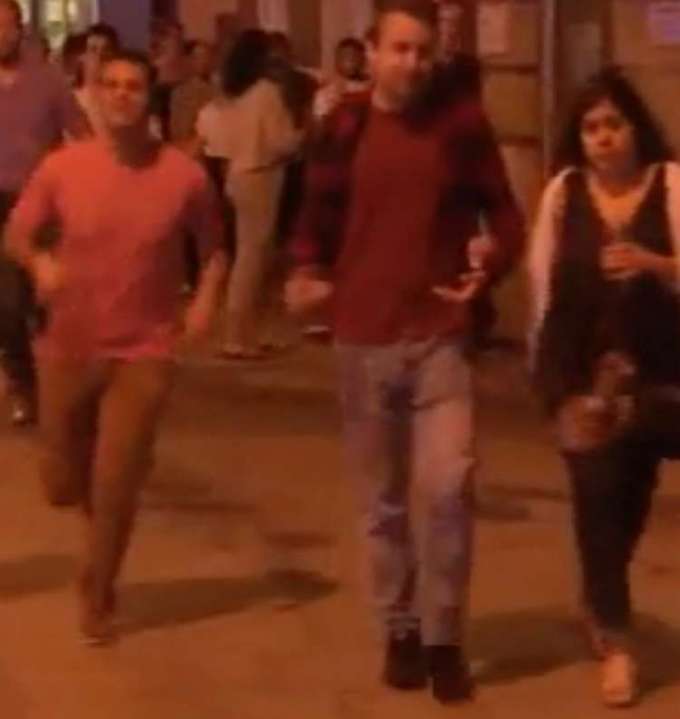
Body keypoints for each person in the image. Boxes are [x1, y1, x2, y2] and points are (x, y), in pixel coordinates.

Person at [286, 0, 523, 704]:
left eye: (423, 52)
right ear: (372, 50)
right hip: (362, 340)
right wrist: (306, 274)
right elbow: (312, 222)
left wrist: (491, 258)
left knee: (449, 487)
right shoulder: (344, 126)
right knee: (383, 503)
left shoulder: (460, 126)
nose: (413, 63)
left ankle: (444, 637)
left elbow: (505, 215)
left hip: (439, 337)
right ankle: (400, 628)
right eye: (400, 49)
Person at [5, 50, 227, 644]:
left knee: (116, 480)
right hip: (68, 346)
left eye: (135, 85)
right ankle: (97, 499)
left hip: (145, 349)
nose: (123, 94)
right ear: (96, 94)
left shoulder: (184, 176)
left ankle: (98, 591)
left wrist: (205, 302)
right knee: (61, 483)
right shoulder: (62, 168)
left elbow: (213, 250)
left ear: (151, 97)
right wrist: (40, 262)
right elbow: (17, 235)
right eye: (112, 85)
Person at [529, 69, 680, 708]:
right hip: (583, 379)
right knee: (596, 499)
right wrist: (547, 376)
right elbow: (543, 285)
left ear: (635, 128)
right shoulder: (564, 194)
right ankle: (617, 644)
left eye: (614, 124)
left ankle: (600, 594)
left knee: (629, 501)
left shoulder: (670, 186)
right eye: (591, 127)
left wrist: (654, 264)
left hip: (660, 379)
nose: (603, 138)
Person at [0, 0, 89, 426]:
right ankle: (24, 383)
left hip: (38, 202)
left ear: (20, 30)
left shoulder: (47, 81)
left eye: (6, 26)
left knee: (43, 299)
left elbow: (83, 135)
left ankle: (61, 378)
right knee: (6, 303)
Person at [216, 30, 302, 360]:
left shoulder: (232, 93)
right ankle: (238, 336)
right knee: (253, 258)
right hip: (261, 174)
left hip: (236, 173)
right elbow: (281, 140)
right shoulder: (267, 92)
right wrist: (305, 132)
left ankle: (246, 332)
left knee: (248, 255)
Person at [74, 23, 120, 136]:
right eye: (93, 50)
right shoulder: (69, 101)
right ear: (82, 57)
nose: (100, 56)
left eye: (106, 50)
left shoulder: (122, 101)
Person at [170, 40, 216, 150]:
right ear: (190, 60)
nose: (204, 61)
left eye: (207, 57)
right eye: (198, 57)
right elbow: (177, 130)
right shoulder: (179, 93)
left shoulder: (217, 90)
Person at [313, 37, 370, 121]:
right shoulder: (327, 93)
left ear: (363, 59)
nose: (349, 61)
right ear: (336, 60)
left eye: (354, 56)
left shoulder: (371, 89)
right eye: (344, 56)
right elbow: (318, 119)